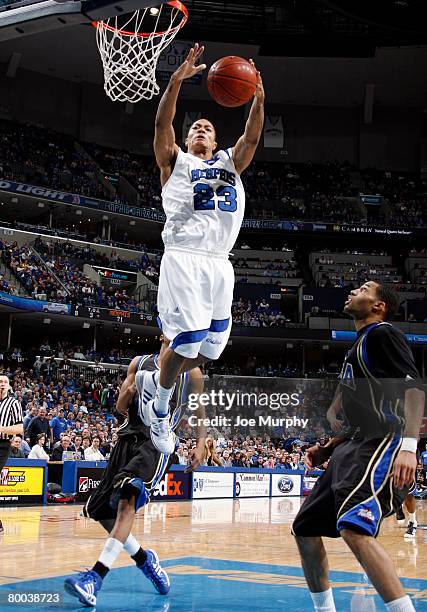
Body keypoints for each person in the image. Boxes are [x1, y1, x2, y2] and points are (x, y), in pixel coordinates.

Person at [149, 43, 264, 454]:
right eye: (195, 126)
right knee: (187, 339)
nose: (201, 129)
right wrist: (174, 84)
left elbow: (251, 137)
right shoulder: (174, 161)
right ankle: (159, 405)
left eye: (208, 128)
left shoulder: (231, 163)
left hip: (220, 264)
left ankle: (162, 384)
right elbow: (163, 123)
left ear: (216, 143)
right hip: (184, 257)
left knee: (208, 348)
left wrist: (258, 98)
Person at [292, 281, 425, 612]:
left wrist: (409, 446)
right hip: (352, 445)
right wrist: (328, 448)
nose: (353, 291)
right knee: (305, 529)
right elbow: (360, 413)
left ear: (379, 306)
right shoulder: (359, 346)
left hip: (383, 440)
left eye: (364, 288)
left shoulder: (383, 334)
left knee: (355, 528)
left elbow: (413, 390)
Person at [64, 337, 206, 607]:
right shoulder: (139, 364)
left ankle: (95, 577)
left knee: (128, 500)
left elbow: (199, 409)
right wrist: (126, 394)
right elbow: (119, 408)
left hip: (157, 443)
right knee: (101, 511)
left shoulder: (192, 372)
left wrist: (200, 443)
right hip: (127, 440)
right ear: (163, 335)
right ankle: (144, 559)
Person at [0, 374, 24, 533]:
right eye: (0, 381)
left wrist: (1, 429)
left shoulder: (13, 403)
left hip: (2, 444)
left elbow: (19, 429)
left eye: (5, 382)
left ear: (9, 386)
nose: (2, 384)